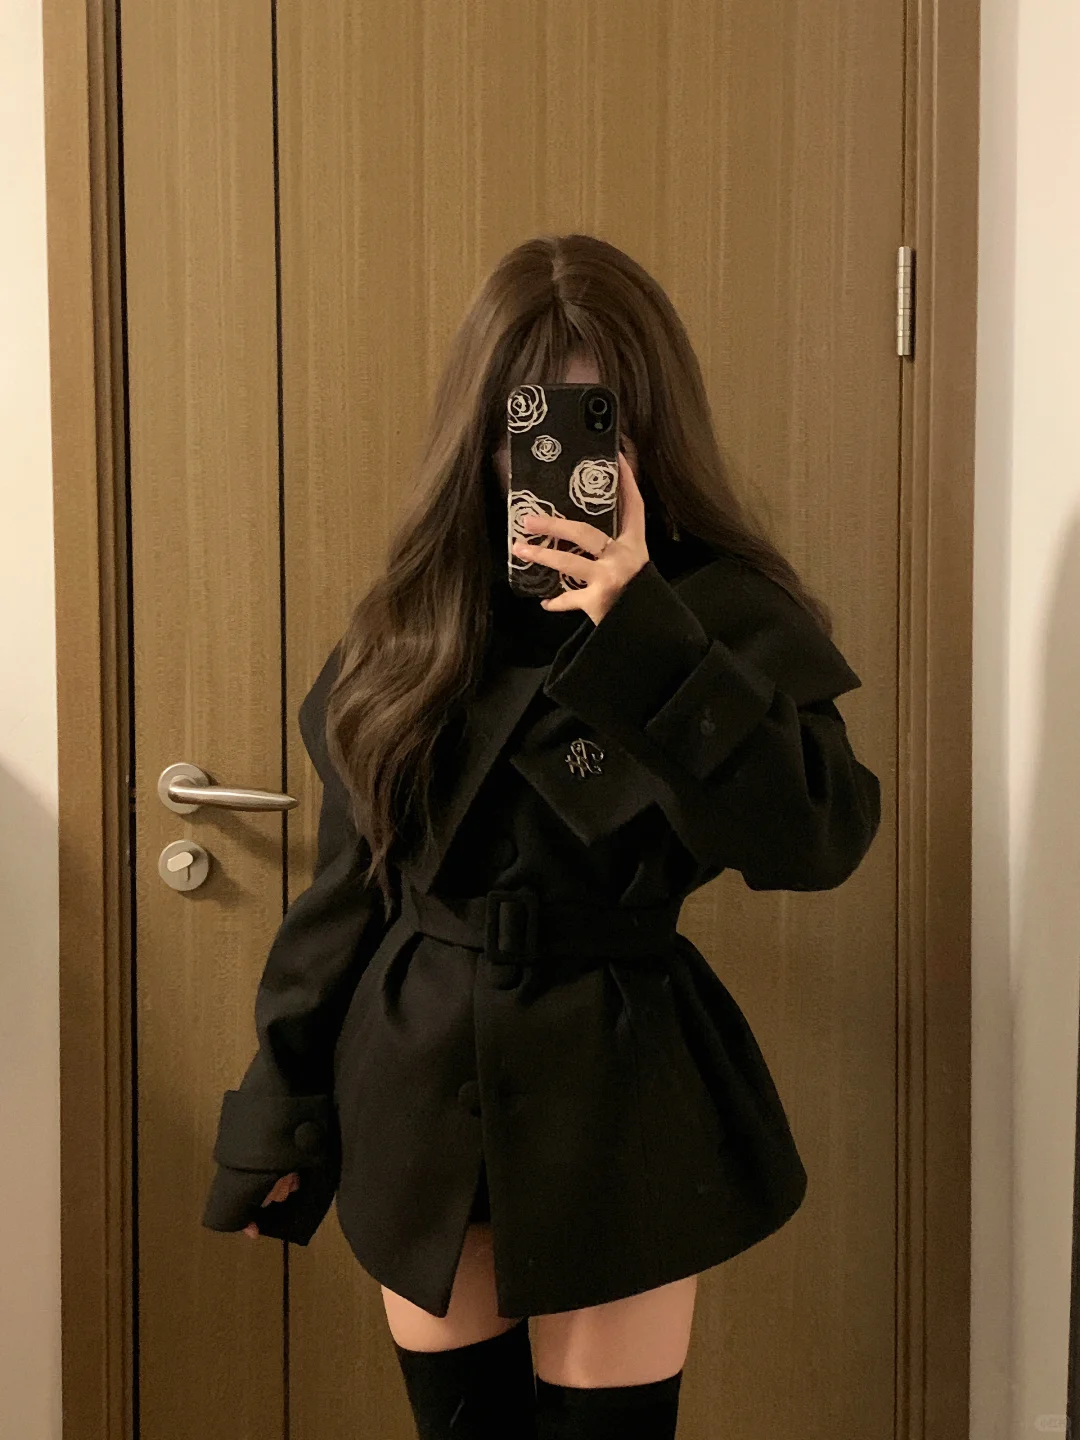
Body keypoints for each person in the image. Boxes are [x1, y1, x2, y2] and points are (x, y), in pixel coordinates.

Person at [201, 233, 882, 1440]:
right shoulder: (414, 623)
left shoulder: (720, 613)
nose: (554, 456)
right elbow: (348, 889)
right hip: (419, 1080)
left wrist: (643, 628)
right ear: (482, 431)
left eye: (592, 417)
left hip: (617, 1088)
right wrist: (280, 1114)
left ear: (647, 428)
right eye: (527, 420)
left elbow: (816, 840)